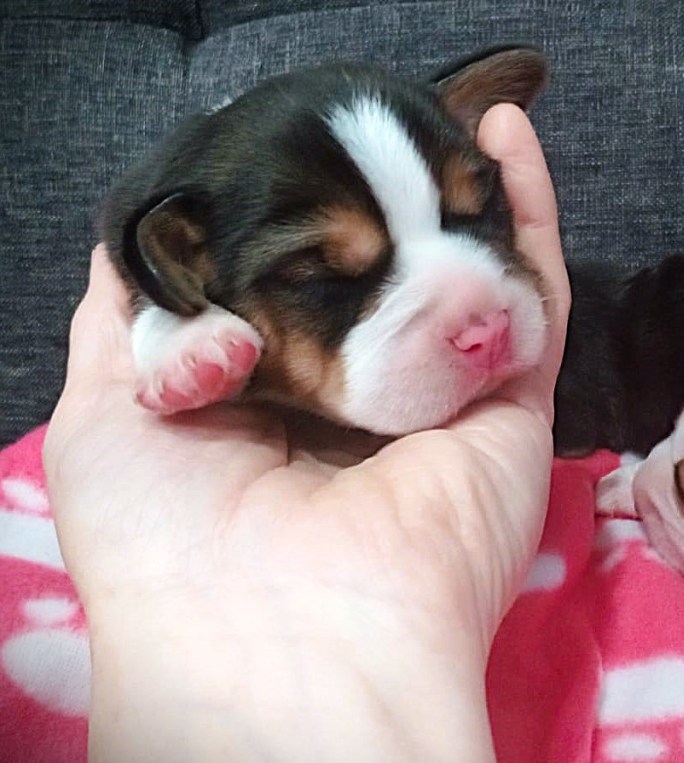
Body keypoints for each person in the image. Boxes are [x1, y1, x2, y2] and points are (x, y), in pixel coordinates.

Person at [42, 104, 568, 762]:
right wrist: (162, 328)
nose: (482, 322)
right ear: (178, 266)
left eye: (473, 217)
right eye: (327, 277)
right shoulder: (179, 251)